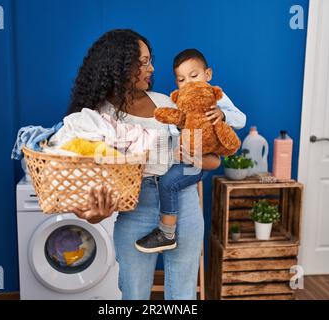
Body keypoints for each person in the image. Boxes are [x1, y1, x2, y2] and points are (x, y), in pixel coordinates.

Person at [67, 29, 234, 300]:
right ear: (119, 65)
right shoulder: (97, 119)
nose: (152, 68)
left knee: (182, 296)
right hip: (136, 209)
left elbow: (213, 160)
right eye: (143, 62)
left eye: (149, 60)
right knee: (134, 295)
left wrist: (183, 155)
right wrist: (94, 214)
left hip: (185, 205)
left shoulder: (166, 103)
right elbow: (92, 198)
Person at [135, 48, 246, 253]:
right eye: (181, 79)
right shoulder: (180, 101)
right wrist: (178, 129)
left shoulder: (217, 97)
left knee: (168, 182)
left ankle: (166, 233)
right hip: (188, 153)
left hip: (206, 154)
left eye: (194, 76)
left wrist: (222, 115)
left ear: (208, 75)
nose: (188, 83)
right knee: (166, 176)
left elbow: (241, 119)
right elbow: (173, 127)